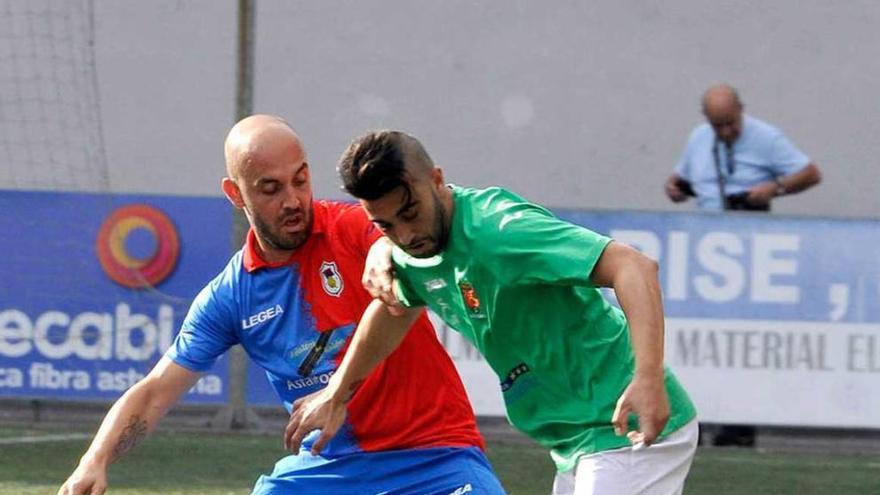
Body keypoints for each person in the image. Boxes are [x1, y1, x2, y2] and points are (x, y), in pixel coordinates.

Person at [58, 116, 506, 495]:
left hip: (436, 456)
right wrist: (92, 462)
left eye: (300, 180)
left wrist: (390, 249)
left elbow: (406, 245)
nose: (292, 200)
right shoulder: (231, 295)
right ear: (236, 194)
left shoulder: (356, 227)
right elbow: (156, 391)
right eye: (270, 188)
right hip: (329, 470)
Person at [286, 130, 699, 495]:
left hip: (627, 427)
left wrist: (647, 377)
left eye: (410, 214)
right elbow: (393, 310)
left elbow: (633, 266)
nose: (406, 235)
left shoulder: (500, 231)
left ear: (436, 180)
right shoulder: (411, 249)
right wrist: (337, 394)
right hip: (578, 441)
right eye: (385, 226)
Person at [665, 84, 821, 212]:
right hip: (705, 229)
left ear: (740, 109)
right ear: (706, 116)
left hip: (751, 229)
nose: (726, 132)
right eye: (717, 126)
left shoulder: (766, 137)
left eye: (731, 123)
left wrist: (775, 188)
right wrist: (673, 189)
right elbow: (678, 177)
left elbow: (811, 174)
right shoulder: (698, 136)